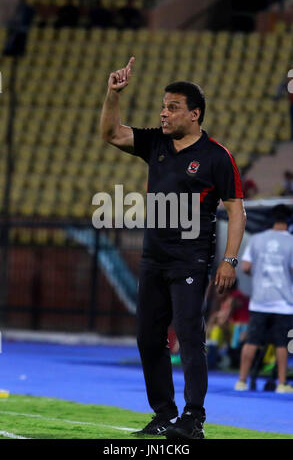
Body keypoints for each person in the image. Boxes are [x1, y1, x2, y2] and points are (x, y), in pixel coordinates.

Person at [100, 57, 246, 439]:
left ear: (194, 114)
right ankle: (164, 413)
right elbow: (112, 134)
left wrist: (229, 260)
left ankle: (193, 418)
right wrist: (113, 94)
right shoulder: (156, 143)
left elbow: (236, 211)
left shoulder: (217, 156)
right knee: (149, 339)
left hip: (191, 258)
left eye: (173, 107)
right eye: (163, 106)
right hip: (153, 258)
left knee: (189, 336)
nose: (164, 113)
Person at [235, 204, 293, 393]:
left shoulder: (257, 239)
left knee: (252, 341)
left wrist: (260, 275)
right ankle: (282, 384)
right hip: (284, 303)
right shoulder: (291, 242)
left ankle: (241, 381)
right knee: (282, 344)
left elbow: (245, 267)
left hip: (259, 300)